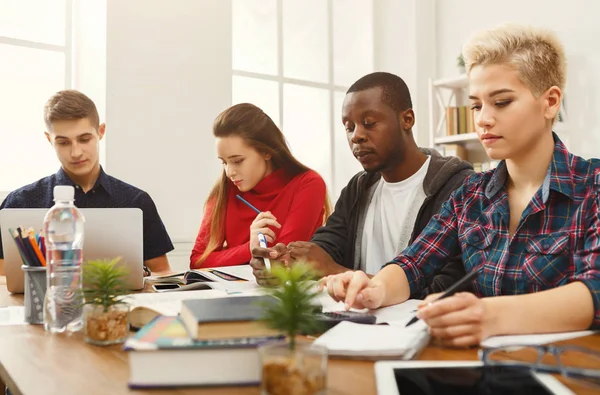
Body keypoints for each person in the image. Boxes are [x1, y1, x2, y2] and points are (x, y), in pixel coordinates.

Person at [323, 24, 600, 347]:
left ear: (550, 102)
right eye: (476, 105)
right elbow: (414, 263)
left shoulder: (592, 186)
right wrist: (377, 289)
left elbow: (596, 288)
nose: (482, 119)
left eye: (501, 102)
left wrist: (490, 316)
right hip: (481, 369)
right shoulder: (470, 194)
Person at [250, 72, 473, 292]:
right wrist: (287, 263)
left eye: (369, 123)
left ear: (407, 120)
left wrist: (333, 270)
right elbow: (329, 245)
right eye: (349, 127)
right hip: (356, 318)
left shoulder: (458, 188)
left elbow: (447, 288)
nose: (356, 136)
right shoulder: (358, 188)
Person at [0, 90, 174, 275]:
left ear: (101, 132)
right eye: (63, 142)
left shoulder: (136, 201)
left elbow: (162, 273)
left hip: (120, 304)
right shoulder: (19, 202)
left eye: (84, 139)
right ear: (49, 139)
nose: (76, 152)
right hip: (40, 303)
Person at [190, 103, 329, 269]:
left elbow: (283, 259)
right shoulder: (225, 190)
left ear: (266, 152)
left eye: (237, 161)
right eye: (224, 162)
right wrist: (249, 248)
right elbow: (197, 261)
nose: (229, 172)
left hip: (290, 292)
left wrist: (242, 252)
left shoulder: (308, 184)